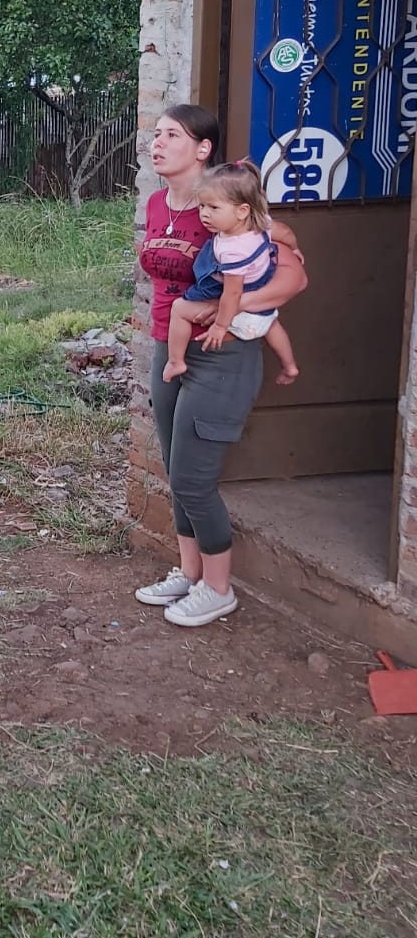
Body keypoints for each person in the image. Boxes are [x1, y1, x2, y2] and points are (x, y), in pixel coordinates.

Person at [134, 105, 308, 628]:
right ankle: (190, 573)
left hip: (221, 356)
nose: (157, 143)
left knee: (193, 478)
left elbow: (294, 278)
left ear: (202, 148)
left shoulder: (228, 208)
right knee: (175, 469)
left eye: (172, 135)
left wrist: (225, 309)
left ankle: (218, 588)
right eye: (157, 134)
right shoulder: (158, 203)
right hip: (169, 348)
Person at [163, 159, 300, 388]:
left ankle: (176, 361)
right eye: (202, 206)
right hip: (261, 304)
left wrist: (220, 325)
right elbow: (284, 232)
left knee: (179, 309)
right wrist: (295, 248)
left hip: (237, 307)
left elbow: (232, 293)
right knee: (271, 324)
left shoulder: (232, 250)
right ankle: (289, 365)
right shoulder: (261, 224)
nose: (204, 214)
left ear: (242, 211)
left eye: (213, 208)